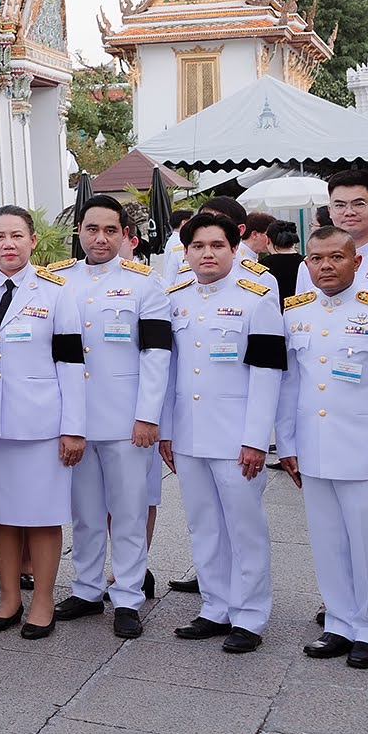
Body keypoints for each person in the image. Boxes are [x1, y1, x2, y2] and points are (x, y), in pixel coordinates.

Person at [278, 226, 368, 669]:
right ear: (306, 265)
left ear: (357, 263)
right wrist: (287, 444)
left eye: (336, 257)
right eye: (317, 259)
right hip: (314, 448)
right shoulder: (295, 313)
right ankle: (338, 621)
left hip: (365, 450)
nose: (326, 266)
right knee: (327, 540)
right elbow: (290, 386)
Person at [162, 211, 288, 653]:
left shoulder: (257, 298)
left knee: (244, 526)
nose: (207, 254)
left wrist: (257, 438)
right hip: (189, 433)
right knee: (204, 525)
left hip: (237, 437)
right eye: (198, 246)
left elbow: (269, 373)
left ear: (234, 250)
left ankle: (250, 615)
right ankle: (215, 606)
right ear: (187, 252)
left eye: (216, 246)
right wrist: (165, 430)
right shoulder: (175, 296)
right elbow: (170, 369)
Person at [51, 195, 171, 640]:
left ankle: (127, 596)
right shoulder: (59, 281)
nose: (100, 239)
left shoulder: (145, 284)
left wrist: (148, 417)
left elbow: (157, 356)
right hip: (75, 419)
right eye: (91, 229)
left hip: (126, 421)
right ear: (79, 232)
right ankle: (85, 588)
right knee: (83, 511)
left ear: (124, 235)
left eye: (110, 231)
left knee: (128, 511)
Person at [0, 206, 85, 639]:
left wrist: (74, 427)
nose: (8, 244)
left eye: (17, 236)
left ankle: (42, 600)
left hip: (41, 423)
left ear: (33, 241)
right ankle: (8, 597)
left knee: (41, 514)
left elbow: (72, 362)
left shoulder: (56, 291)